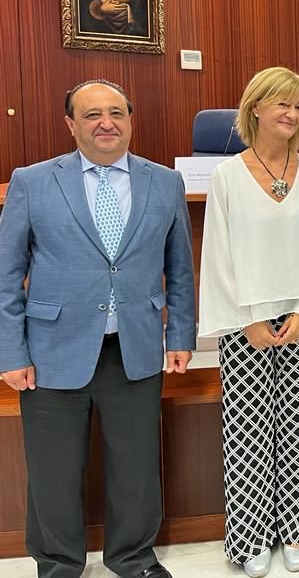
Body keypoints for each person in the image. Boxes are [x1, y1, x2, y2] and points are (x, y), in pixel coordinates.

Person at [0, 79, 195, 578]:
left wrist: (180, 338)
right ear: (70, 124)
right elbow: (5, 275)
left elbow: (180, 268)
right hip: (51, 350)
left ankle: (134, 557)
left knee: (136, 467)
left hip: (135, 346)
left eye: (116, 112)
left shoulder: (164, 182)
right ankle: (59, 564)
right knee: (54, 470)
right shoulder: (33, 181)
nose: (106, 123)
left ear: (131, 119)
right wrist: (10, 353)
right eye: (91, 115)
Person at [198, 67, 299, 576]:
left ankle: (298, 525)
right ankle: (252, 535)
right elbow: (217, 253)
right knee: (248, 431)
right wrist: (247, 319)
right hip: (246, 324)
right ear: (255, 107)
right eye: (281, 103)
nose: (291, 114)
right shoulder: (227, 175)